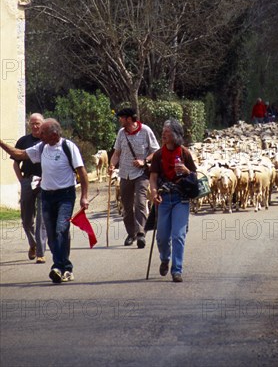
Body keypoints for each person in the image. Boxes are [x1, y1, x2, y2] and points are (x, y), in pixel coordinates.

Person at [0, 118, 89, 283]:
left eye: (43, 133)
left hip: (65, 196)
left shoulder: (68, 147)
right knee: (51, 234)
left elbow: (82, 172)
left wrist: (84, 196)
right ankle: (65, 268)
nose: (39, 135)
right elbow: (18, 154)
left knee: (61, 229)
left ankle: (58, 266)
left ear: (54, 134)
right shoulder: (41, 147)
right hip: (47, 196)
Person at [149, 119, 197, 283]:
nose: (163, 133)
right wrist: (154, 192)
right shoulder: (158, 155)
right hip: (163, 199)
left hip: (181, 199)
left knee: (178, 235)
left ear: (176, 135)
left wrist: (186, 170)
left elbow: (195, 176)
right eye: (163, 130)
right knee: (162, 237)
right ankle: (165, 258)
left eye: (167, 131)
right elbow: (153, 177)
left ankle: (177, 270)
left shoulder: (185, 153)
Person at [109, 108, 159, 249]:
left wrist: (144, 161)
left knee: (140, 202)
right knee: (126, 205)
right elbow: (117, 153)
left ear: (129, 119)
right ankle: (131, 233)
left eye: (121, 118)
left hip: (141, 174)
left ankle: (141, 233)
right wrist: (111, 165)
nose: (119, 120)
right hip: (125, 174)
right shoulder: (121, 133)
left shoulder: (146, 131)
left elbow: (155, 151)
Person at [11, 113, 47, 263]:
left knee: (41, 219)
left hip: (45, 183)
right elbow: (15, 163)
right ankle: (33, 244)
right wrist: (22, 181)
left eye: (37, 123)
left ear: (43, 123)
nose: (35, 126)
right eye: (32, 123)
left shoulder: (48, 141)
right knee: (26, 220)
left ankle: (40, 252)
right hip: (28, 180)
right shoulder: (23, 141)